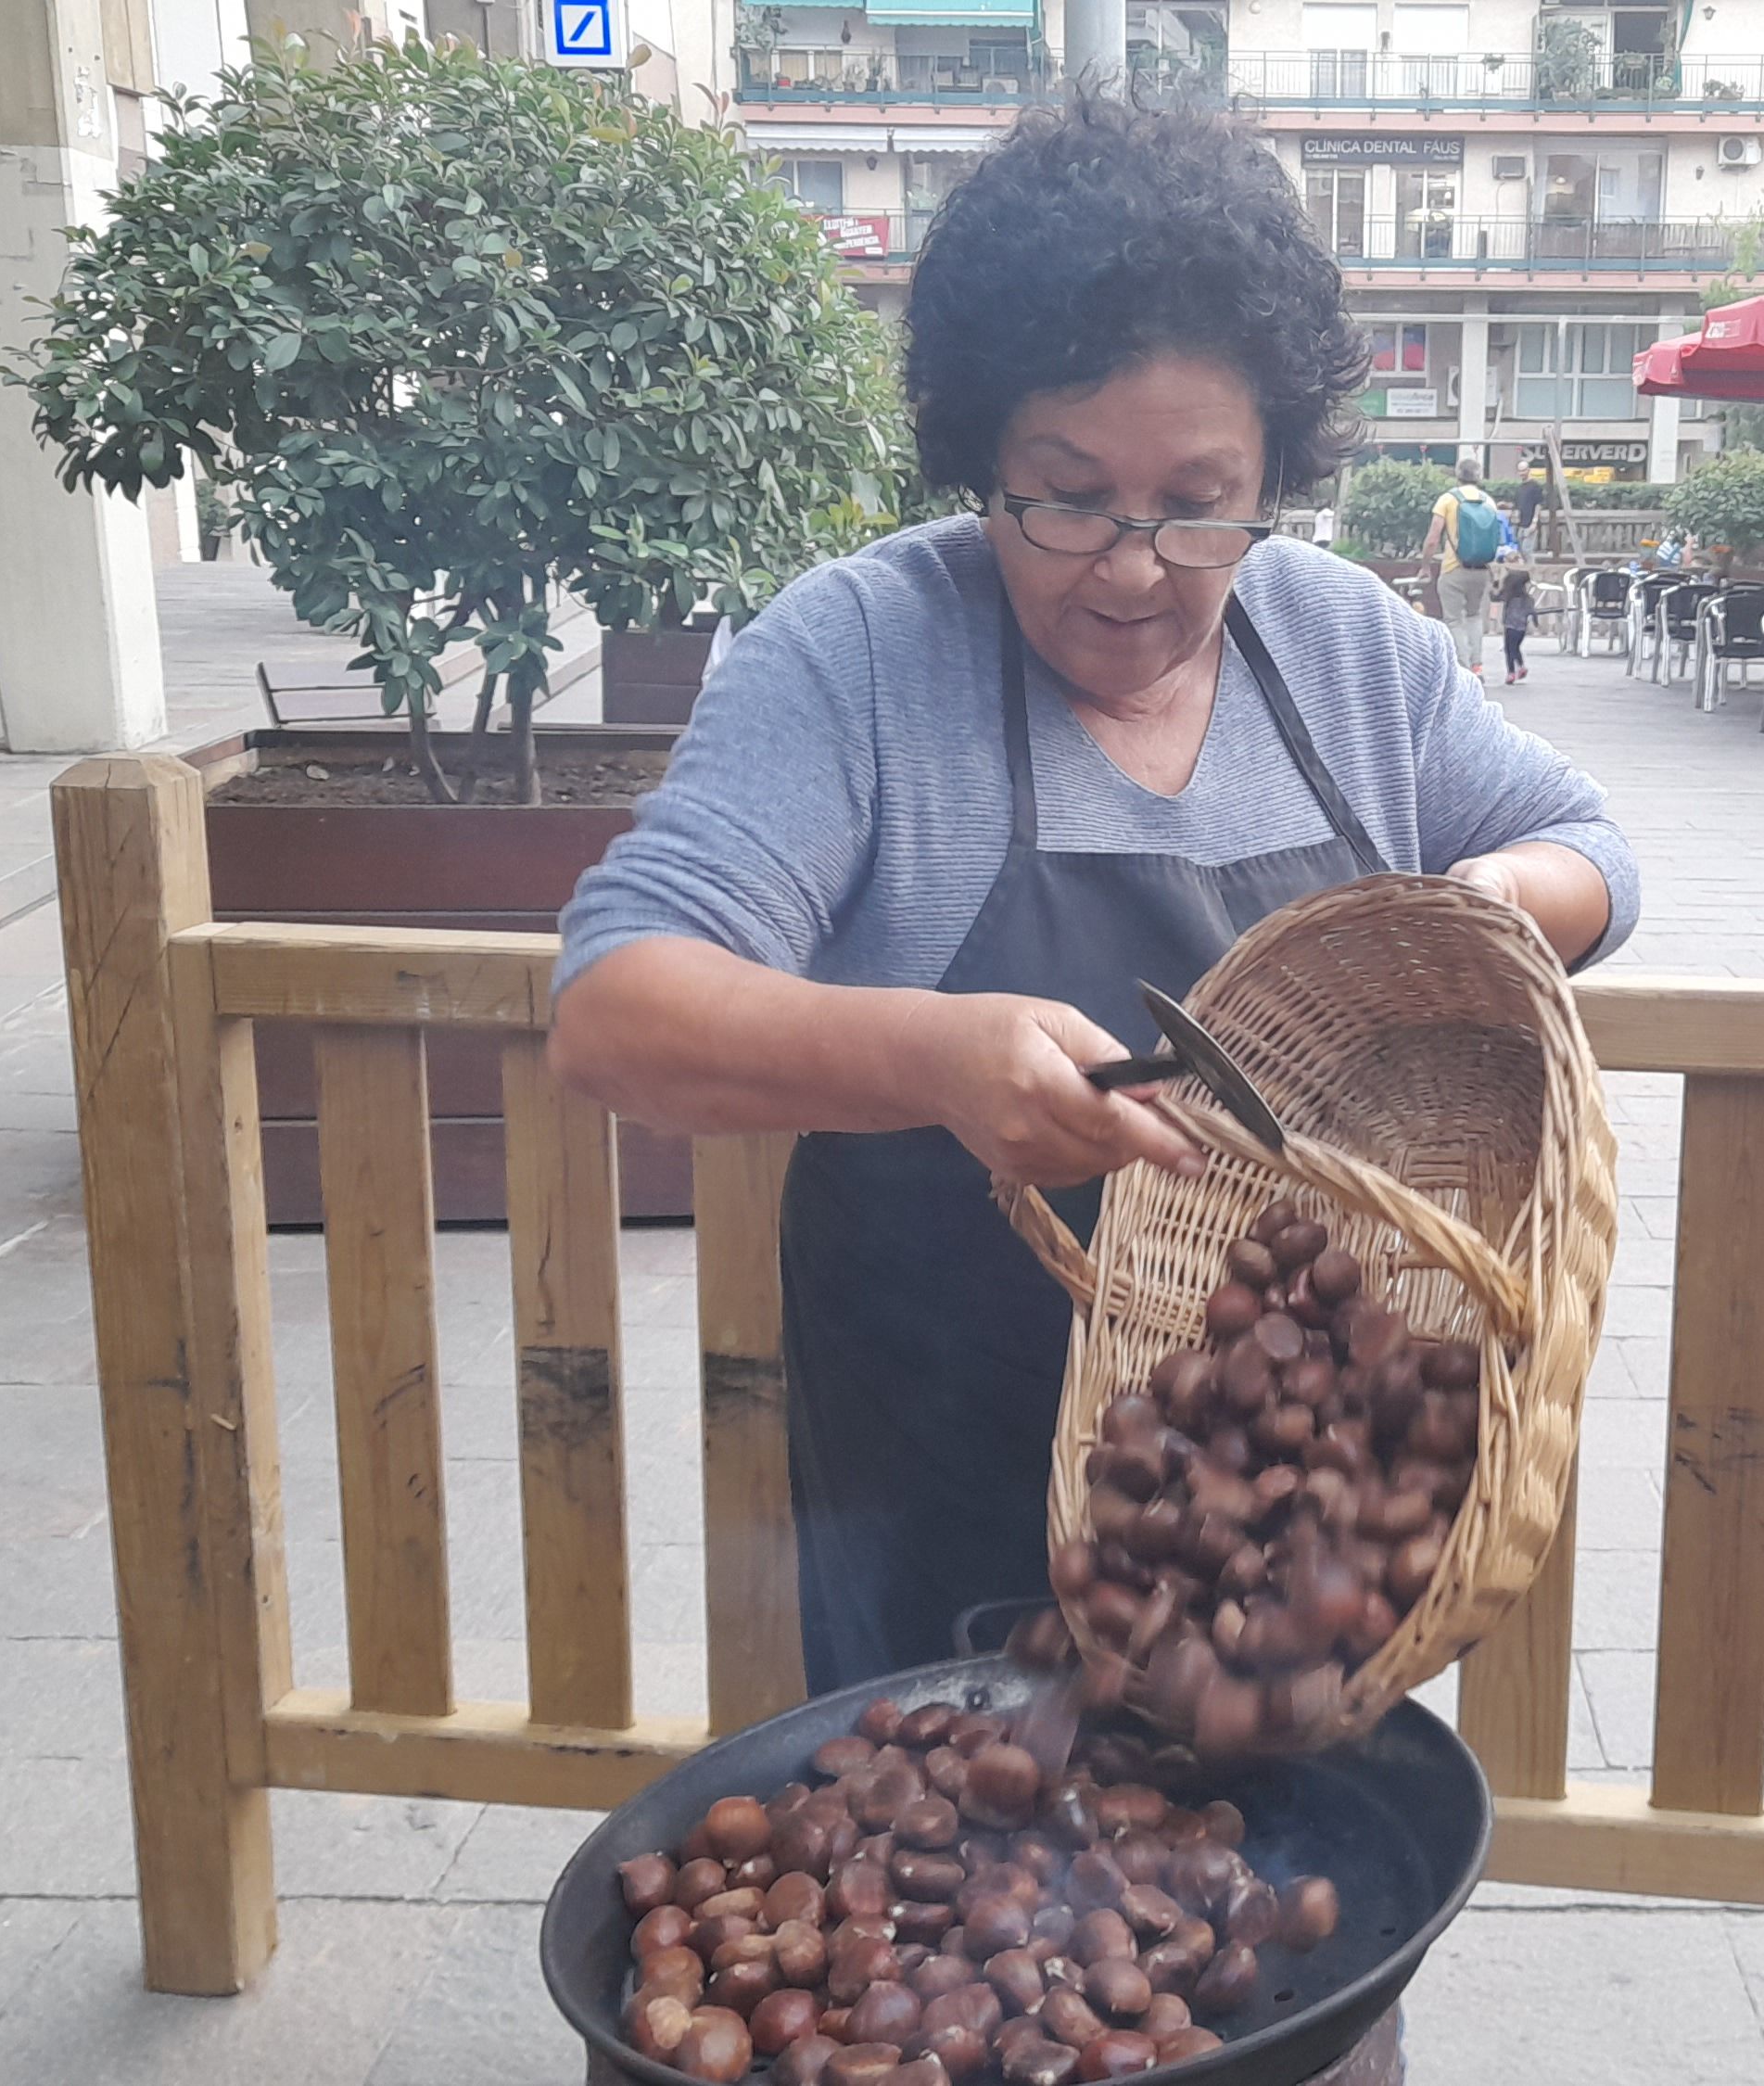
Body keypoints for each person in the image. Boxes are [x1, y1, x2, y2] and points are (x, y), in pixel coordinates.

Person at [542, 94, 1637, 1698]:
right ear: (980, 452)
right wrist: (931, 1061)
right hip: (937, 1519)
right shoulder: (858, 653)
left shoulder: (1344, 646)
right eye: (1065, 495)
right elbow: (612, 1009)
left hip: (1296, 1526)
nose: (1133, 565)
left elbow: (1591, 851)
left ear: (1278, 466)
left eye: (1200, 502)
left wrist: (1471, 912)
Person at [1423, 464, 1509, 677]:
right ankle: (1478, 665)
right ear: (1478, 477)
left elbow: (1433, 537)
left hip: (1454, 568)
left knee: (1453, 620)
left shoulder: (1448, 500)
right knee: (1474, 616)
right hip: (1481, 570)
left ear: (1458, 476)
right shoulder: (1488, 501)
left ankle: (1464, 670)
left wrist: (1425, 565)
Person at [1498, 563, 1535, 684]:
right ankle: (1521, 666)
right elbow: (1531, 612)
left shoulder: (1509, 597)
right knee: (1516, 648)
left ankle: (1511, 673)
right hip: (1521, 629)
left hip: (1510, 627)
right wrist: (1535, 621)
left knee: (1509, 650)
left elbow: (1495, 597)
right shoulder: (1528, 598)